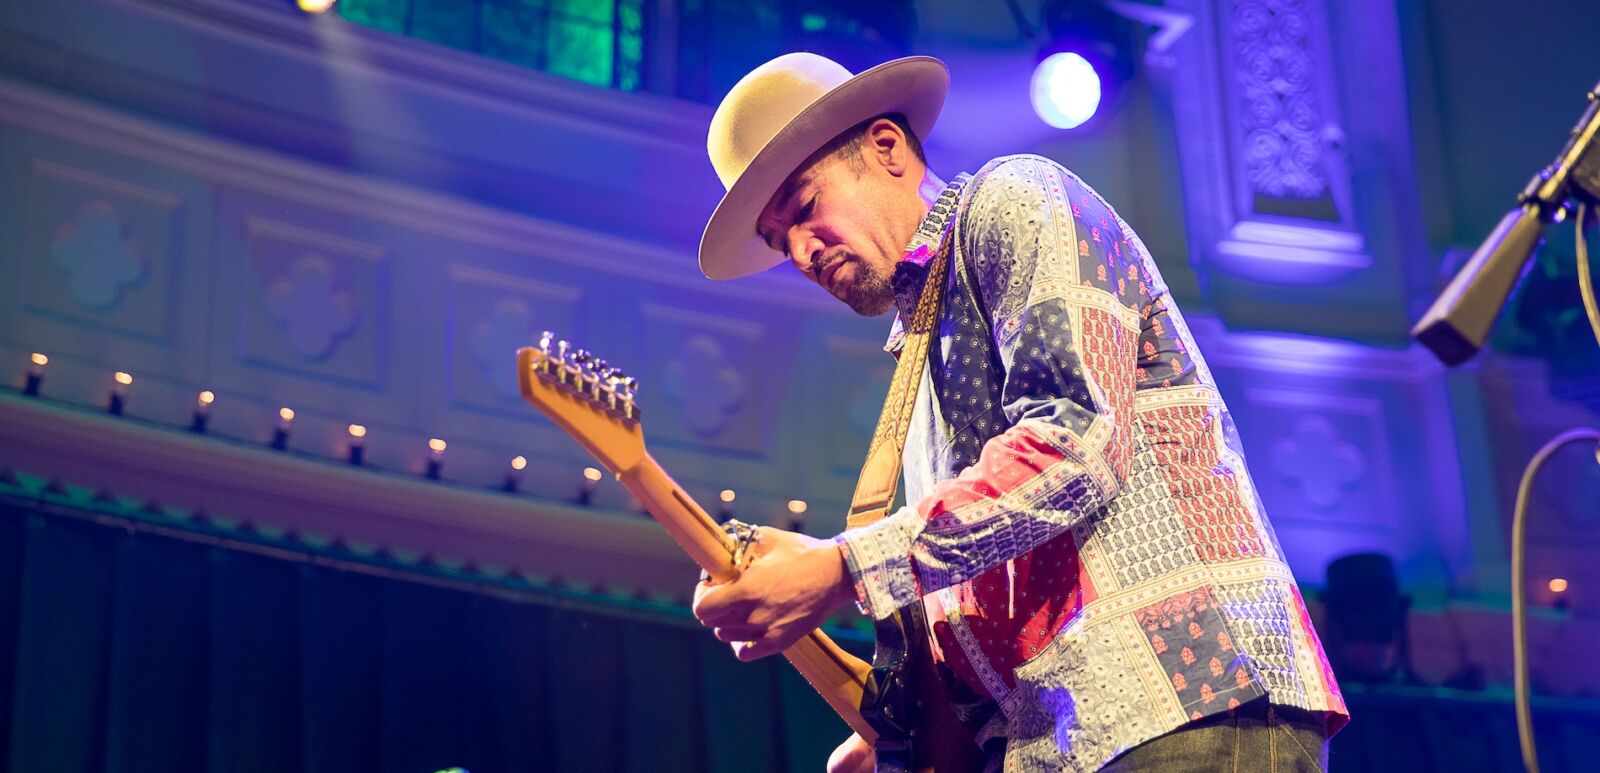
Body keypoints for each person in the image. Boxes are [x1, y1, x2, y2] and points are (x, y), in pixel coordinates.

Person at [690, 52, 1348, 772]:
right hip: (1068, 739)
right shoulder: (918, 357)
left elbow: (1073, 442)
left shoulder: (1012, 195)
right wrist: (914, 729)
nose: (801, 251)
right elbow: (984, 559)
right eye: (779, 240)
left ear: (886, 147)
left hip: (1183, 701)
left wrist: (843, 566)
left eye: (805, 207)